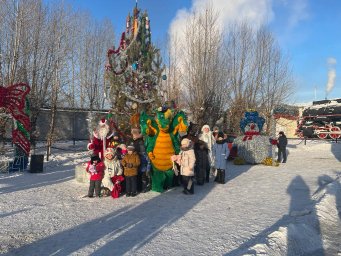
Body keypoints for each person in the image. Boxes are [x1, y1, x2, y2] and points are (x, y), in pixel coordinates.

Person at [132, 128, 150, 193]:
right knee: (138, 177)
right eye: (133, 135)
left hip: (142, 157)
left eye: (135, 135)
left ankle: (143, 188)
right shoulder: (132, 141)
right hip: (136, 158)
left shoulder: (141, 141)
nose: (134, 136)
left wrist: (148, 168)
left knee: (143, 177)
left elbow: (143, 150)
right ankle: (138, 188)